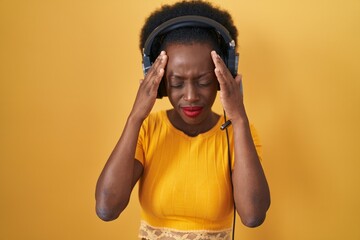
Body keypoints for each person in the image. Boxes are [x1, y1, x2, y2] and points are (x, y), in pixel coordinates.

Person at [95, 1, 270, 239]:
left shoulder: (239, 132)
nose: (190, 96)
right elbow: (107, 208)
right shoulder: (148, 129)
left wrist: (238, 119)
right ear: (159, 83)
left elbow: (253, 216)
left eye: (204, 81)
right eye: (177, 83)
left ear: (222, 77)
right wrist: (136, 117)